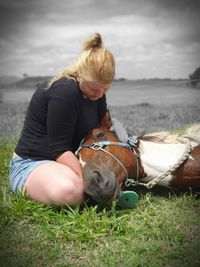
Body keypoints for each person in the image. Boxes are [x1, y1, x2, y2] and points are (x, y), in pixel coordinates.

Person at [9, 33, 128, 206]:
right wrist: (92, 181)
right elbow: (59, 150)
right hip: (33, 163)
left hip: (67, 162)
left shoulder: (97, 93)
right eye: (95, 89)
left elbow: (101, 127)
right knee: (70, 191)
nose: (100, 95)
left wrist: (114, 125)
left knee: (94, 180)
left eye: (106, 89)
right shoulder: (64, 92)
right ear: (80, 74)